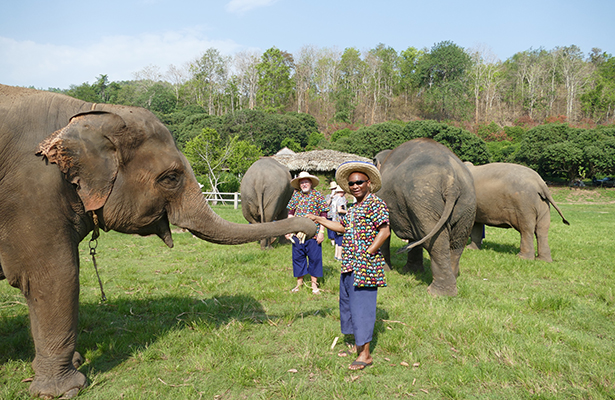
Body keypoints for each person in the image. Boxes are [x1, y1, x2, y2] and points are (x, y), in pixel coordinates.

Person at [307, 161, 390, 371]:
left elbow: (385, 231)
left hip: (364, 267)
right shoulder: (353, 209)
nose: (355, 186)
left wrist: (368, 253)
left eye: (359, 182)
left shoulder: (375, 204)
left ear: (369, 183)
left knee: (362, 309)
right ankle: (356, 346)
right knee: (349, 307)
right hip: (349, 265)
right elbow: (342, 228)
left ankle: (366, 355)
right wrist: (319, 219)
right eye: (351, 183)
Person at [286, 171, 328, 294]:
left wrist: (321, 232)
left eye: (306, 182)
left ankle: (314, 286)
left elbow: (323, 215)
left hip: (313, 235)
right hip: (297, 234)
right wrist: (288, 230)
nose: (304, 184)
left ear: (311, 183)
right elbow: (291, 213)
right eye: (302, 182)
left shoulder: (318, 196)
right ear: (299, 184)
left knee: (315, 259)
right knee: (298, 259)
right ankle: (299, 285)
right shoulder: (296, 196)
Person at [330, 185, 347, 261]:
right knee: (341, 239)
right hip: (340, 221)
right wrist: (348, 211)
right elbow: (340, 210)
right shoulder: (340, 199)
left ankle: (336, 255)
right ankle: (340, 256)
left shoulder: (334, 198)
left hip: (334, 220)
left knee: (336, 239)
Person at [325, 181, 338, 246]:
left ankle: (337, 242)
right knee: (330, 230)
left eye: (335, 188)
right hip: (330, 215)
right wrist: (331, 197)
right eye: (333, 189)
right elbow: (326, 205)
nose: (334, 190)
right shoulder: (328, 196)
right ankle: (332, 243)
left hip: (336, 215)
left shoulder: (339, 196)